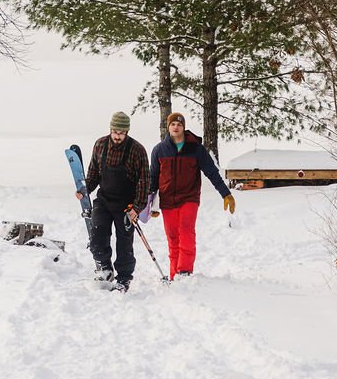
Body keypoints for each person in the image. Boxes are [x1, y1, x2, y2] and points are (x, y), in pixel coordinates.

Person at [147, 111, 235, 280]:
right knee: (173, 238)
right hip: (167, 200)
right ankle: (174, 275)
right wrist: (150, 204)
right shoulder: (159, 150)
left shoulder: (196, 149)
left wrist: (226, 194)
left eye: (179, 124)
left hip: (189, 198)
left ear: (183, 127)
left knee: (186, 231)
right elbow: (153, 178)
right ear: (168, 127)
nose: (176, 127)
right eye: (173, 124)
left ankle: (184, 271)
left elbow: (212, 172)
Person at [80, 111, 149, 290]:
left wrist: (137, 207)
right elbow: (94, 173)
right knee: (97, 235)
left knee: (124, 242)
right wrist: (85, 189)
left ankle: (124, 277)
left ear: (127, 132)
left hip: (126, 204)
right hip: (104, 199)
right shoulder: (100, 145)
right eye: (115, 131)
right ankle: (105, 268)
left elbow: (144, 181)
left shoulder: (137, 150)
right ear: (110, 129)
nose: (118, 136)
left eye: (122, 132)